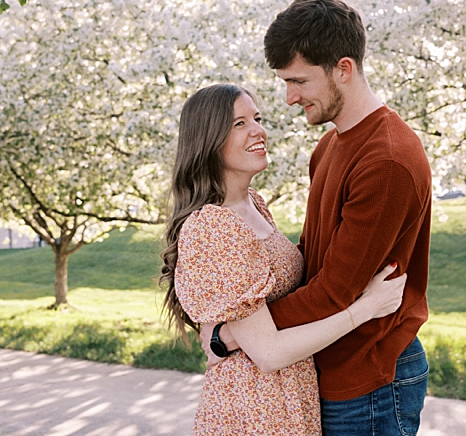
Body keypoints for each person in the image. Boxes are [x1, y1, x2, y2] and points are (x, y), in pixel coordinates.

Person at [202, 0, 433, 436]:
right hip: (323, 365)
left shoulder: (387, 159)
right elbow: (312, 261)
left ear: (343, 69)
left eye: (299, 82)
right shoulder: (329, 146)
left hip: (368, 376)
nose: (289, 98)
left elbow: (332, 293)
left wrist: (234, 333)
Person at [159, 83, 408, 435]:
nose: (259, 131)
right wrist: (365, 308)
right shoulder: (213, 226)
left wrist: (226, 335)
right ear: (208, 141)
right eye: (239, 124)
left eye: (257, 119)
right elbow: (269, 353)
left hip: (289, 395)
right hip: (255, 406)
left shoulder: (254, 204)